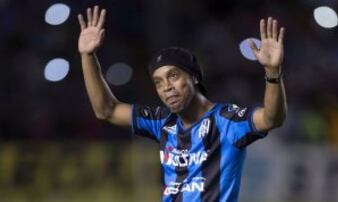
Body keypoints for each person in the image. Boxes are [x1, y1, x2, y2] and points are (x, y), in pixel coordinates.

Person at [77, 5, 287, 202]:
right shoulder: (161, 122)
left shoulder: (225, 120)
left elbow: (272, 118)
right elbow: (106, 110)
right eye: (158, 82)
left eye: (173, 76)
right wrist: (87, 55)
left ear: (194, 78)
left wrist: (272, 72)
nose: (166, 87)